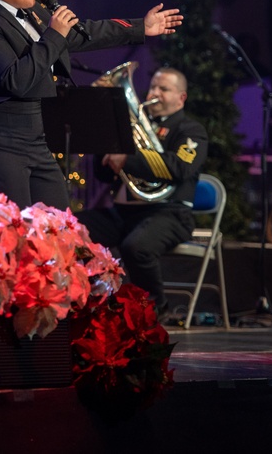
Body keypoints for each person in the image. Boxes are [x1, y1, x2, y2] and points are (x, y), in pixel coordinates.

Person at [0, 0, 183, 210]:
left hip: (34, 138)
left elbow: (82, 34)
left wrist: (140, 28)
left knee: (59, 224)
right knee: (14, 231)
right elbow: (15, 80)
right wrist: (54, 34)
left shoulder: (32, 14)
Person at [75, 67, 208, 313]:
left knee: (136, 247)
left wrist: (128, 159)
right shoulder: (131, 126)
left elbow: (179, 167)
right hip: (124, 212)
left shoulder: (190, 130)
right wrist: (105, 144)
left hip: (169, 213)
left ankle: (154, 308)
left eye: (164, 89)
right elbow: (104, 176)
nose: (154, 93)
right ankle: (86, 302)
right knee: (73, 230)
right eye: (153, 87)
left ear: (181, 97)